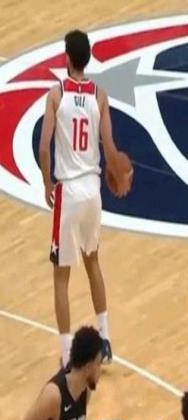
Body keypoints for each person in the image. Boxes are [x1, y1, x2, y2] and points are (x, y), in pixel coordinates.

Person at [38, 29, 132, 367]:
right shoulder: (100, 96)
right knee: (93, 262)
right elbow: (110, 148)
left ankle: (67, 356)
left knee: (61, 277)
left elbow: (44, 146)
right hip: (92, 190)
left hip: (68, 190)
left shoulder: (56, 94)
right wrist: (120, 175)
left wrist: (46, 183)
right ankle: (105, 342)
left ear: (67, 58)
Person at [13, 326, 103, 420]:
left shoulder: (85, 391)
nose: (100, 370)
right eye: (98, 364)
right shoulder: (54, 396)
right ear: (88, 367)